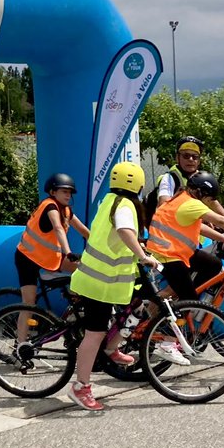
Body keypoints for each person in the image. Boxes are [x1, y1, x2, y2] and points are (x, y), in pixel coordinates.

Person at [65, 162, 161, 412]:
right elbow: (125, 230)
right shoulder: (125, 205)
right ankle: (81, 387)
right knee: (93, 334)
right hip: (97, 281)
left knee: (137, 302)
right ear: (138, 185)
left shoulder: (110, 200)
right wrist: (142, 254)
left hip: (103, 279)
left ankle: (111, 347)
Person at [148, 170, 224, 302]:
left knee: (213, 264)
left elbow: (200, 228)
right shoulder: (192, 204)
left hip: (170, 251)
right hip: (168, 255)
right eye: (209, 199)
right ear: (201, 192)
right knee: (189, 300)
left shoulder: (180, 198)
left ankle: (186, 299)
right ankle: (181, 306)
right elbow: (221, 221)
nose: (209, 203)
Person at [15, 172, 90, 307]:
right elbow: (58, 228)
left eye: (70, 192)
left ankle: (74, 306)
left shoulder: (66, 211)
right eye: (64, 191)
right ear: (52, 192)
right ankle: (20, 329)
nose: (68, 195)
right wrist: (68, 252)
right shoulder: (50, 206)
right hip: (27, 258)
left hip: (47, 256)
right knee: (29, 304)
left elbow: (84, 231)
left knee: (85, 270)